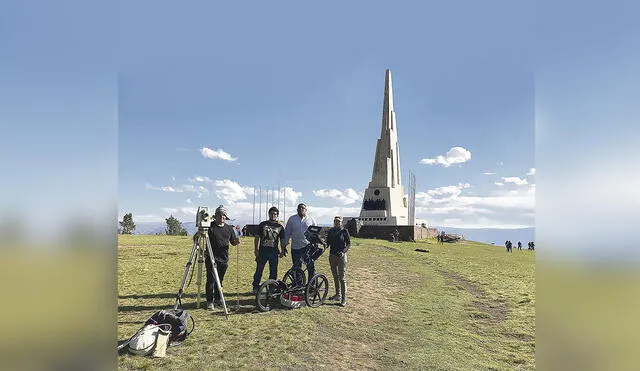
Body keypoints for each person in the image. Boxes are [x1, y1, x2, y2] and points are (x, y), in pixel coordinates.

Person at [193, 205, 240, 310]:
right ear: (216, 216)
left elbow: (233, 242)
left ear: (226, 217)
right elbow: (196, 238)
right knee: (211, 280)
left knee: (220, 280)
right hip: (211, 258)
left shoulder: (229, 228)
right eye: (219, 215)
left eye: (224, 215)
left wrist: (236, 242)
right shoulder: (209, 226)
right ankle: (209, 301)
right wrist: (200, 250)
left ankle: (218, 299)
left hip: (224, 259)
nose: (222, 217)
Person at [252, 206, 287, 294]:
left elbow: (282, 240)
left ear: (277, 215)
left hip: (274, 252)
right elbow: (257, 238)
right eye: (271, 213)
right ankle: (255, 287)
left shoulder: (280, 227)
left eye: (275, 214)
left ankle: (272, 288)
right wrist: (256, 250)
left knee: (273, 271)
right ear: (269, 214)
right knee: (259, 270)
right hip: (263, 251)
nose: (273, 215)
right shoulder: (262, 224)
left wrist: (283, 250)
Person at [284, 203, 317, 280]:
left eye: (303, 208)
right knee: (297, 268)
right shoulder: (292, 219)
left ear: (306, 210)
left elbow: (316, 233)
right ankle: (299, 286)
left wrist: (316, 243)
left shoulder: (311, 219)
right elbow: (287, 232)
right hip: (295, 247)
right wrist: (284, 245)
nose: (301, 209)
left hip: (307, 247)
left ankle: (311, 287)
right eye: (299, 208)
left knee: (310, 267)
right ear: (297, 210)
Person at [325, 216, 350, 306]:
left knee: (342, 278)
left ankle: (344, 298)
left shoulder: (344, 231)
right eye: (335, 221)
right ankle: (337, 294)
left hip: (341, 257)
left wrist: (343, 252)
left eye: (338, 221)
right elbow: (328, 242)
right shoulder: (331, 231)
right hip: (332, 256)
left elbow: (348, 244)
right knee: (335, 276)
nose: (337, 223)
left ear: (341, 222)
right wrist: (324, 244)